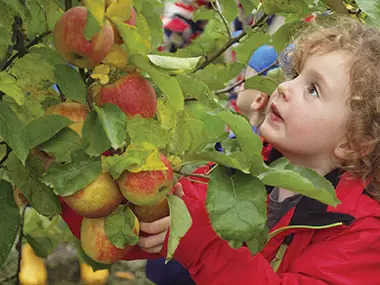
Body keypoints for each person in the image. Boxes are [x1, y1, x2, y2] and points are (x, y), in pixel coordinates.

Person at [134, 18, 380, 284]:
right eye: (296, 76)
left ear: (352, 143)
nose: (284, 88)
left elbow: (200, 239)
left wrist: (205, 245)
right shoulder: (244, 166)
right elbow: (160, 219)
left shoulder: (362, 233)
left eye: (313, 89)